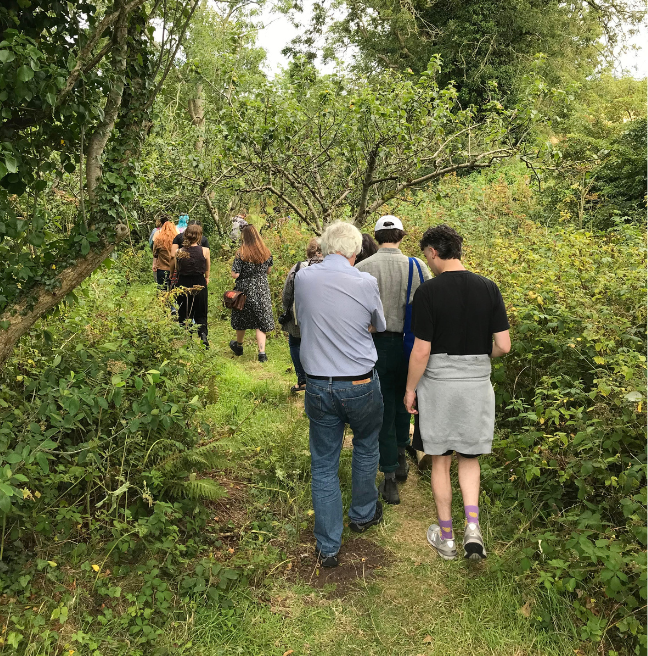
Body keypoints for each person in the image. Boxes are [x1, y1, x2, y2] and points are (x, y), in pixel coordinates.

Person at [403, 224, 511, 561]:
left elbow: (421, 351)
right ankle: (473, 529)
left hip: (438, 386)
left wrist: (409, 390)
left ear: (433, 253)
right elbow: (504, 346)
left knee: (440, 460)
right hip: (477, 385)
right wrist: (479, 357)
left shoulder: (428, 293)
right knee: (469, 458)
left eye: (426, 256)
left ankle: (447, 538)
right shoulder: (489, 288)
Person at [294, 221, 386, 568]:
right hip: (361, 382)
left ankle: (329, 546)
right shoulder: (365, 281)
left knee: (323, 463)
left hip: (318, 383)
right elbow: (380, 324)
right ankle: (362, 514)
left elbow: (302, 318)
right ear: (355, 251)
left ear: (325, 245)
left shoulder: (304, 277)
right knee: (365, 445)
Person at [356, 215, 431, 504]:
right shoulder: (418, 266)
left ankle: (388, 475)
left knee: (383, 407)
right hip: (410, 345)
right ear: (402, 236)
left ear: (375, 237)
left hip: (374, 345)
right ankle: (400, 456)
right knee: (406, 399)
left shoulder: (362, 268)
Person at [280, 238, 323, 393]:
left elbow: (287, 293)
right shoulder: (331, 268)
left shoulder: (298, 267)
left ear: (309, 251)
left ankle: (303, 379)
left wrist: (286, 311)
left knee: (295, 343)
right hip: (323, 318)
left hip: (300, 316)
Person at [229, 225, 275, 362]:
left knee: (241, 317)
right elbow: (268, 271)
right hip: (262, 289)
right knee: (260, 321)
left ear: (244, 237)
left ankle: (239, 346)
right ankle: (262, 353)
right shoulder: (266, 252)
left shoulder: (241, 253)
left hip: (245, 290)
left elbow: (235, 275)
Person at [169, 223, 210, 348]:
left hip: (183, 283)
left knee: (184, 311)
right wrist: (206, 277)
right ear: (199, 237)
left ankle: (187, 338)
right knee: (201, 311)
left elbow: (176, 267)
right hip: (200, 282)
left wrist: (172, 275)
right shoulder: (205, 250)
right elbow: (207, 267)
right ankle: (203, 334)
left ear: (185, 236)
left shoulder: (179, 252)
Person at [152, 216, 177, 290]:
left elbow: (155, 253)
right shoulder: (177, 238)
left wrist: (154, 263)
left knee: (162, 292)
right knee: (174, 292)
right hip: (174, 269)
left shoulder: (158, 239)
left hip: (161, 269)